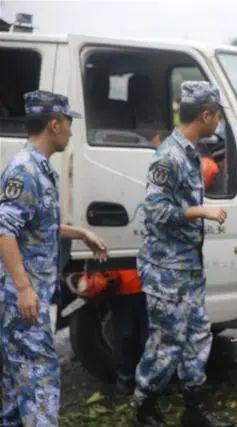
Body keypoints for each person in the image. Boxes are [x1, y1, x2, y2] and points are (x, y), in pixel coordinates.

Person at [0, 90, 109, 426]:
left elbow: (37, 224)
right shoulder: (25, 171)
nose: (71, 131)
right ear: (54, 124)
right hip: (22, 300)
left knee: (15, 385)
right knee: (41, 379)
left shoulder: (38, 168)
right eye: (68, 123)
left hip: (27, 297)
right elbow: (4, 230)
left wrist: (80, 233)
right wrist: (23, 288)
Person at [133, 81, 231, 427]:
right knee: (167, 340)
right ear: (205, 115)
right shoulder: (168, 157)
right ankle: (145, 407)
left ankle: (192, 409)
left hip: (188, 266)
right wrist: (200, 213)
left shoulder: (190, 153)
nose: (218, 122)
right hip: (166, 270)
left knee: (197, 335)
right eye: (217, 115)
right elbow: (155, 211)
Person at [79, 269, 148, 395]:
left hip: (146, 287)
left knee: (144, 338)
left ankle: (142, 381)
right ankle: (127, 380)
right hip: (123, 289)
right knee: (125, 337)